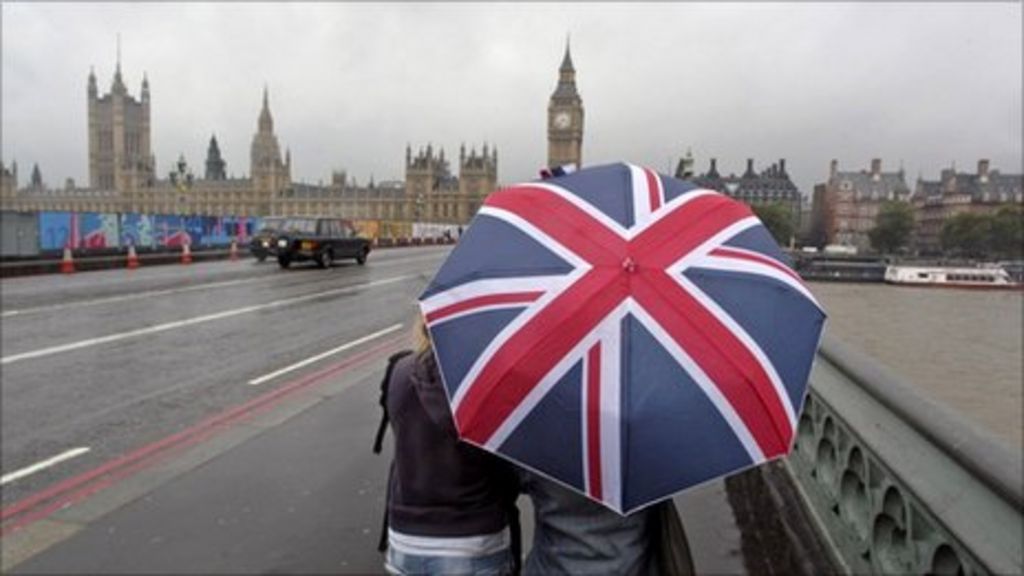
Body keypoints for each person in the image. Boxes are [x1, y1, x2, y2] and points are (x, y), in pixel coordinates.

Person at [378, 317, 520, 575]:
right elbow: (506, 471)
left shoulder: (399, 372)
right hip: (471, 540)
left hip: (404, 538)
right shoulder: (478, 383)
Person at [518, 470, 657, 575]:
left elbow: (512, 482)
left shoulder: (541, 445)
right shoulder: (646, 450)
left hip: (552, 568)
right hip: (631, 567)